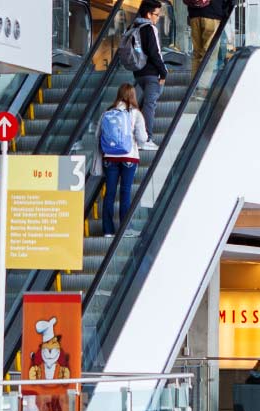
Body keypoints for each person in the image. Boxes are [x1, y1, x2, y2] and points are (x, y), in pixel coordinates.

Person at [95, 84, 151, 238]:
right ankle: (125, 229)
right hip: (129, 156)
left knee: (110, 192)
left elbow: (98, 134)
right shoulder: (135, 114)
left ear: (118, 95)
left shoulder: (108, 112)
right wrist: (140, 144)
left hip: (109, 157)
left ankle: (107, 230)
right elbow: (142, 138)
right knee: (125, 192)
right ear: (132, 96)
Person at [128, 0, 168, 136]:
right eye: (157, 14)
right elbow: (154, 53)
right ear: (148, 14)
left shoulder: (133, 27)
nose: (158, 17)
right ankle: (146, 138)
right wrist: (163, 73)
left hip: (138, 73)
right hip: (152, 74)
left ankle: (136, 134)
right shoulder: (149, 28)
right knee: (149, 106)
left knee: (141, 104)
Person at [186, 0, 233, 66]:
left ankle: (196, 76)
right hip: (212, 14)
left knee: (197, 54)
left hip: (194, 15)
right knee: (209, 54)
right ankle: (205, 76)